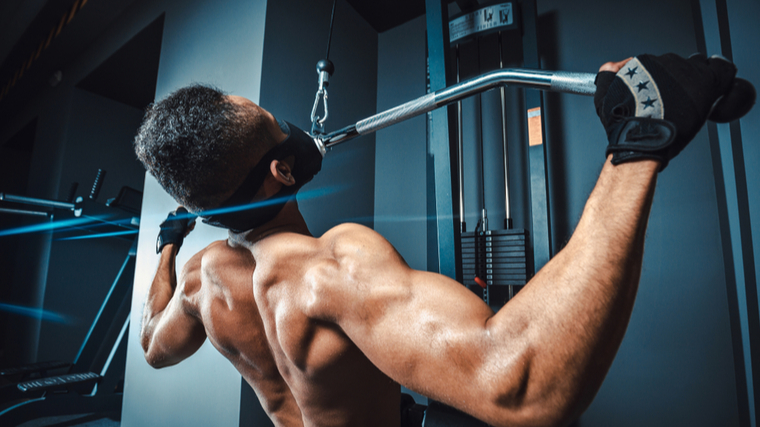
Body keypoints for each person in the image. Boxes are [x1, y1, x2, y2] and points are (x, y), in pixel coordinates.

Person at [134, 53, 747, 427]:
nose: (292, 129)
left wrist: (169, 241)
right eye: (278, 127)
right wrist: (636, 147)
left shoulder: (197, 279)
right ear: (284, 169)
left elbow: (153, 350)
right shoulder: (330, 268)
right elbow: (523, 387)